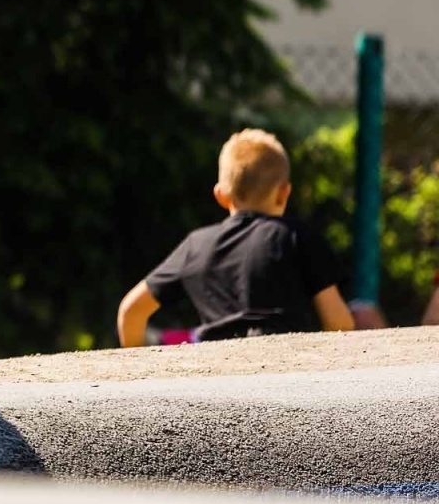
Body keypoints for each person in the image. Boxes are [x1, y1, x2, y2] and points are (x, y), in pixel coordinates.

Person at [117, 128, 355, 345]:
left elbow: (130, 312)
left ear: (221, 196)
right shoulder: (295, 235)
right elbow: (338, 323)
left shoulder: (196, 246)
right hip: (283, 373)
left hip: (220, 378)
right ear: (284, 192)